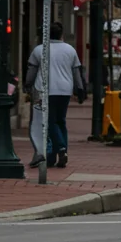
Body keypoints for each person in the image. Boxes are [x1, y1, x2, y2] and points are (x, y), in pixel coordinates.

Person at [23, 22, 88, 169]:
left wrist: (27, 85)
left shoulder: (39, 50)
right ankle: (57, 154)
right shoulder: (70, 50)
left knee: (49, 122)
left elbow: (31, 73)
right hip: (65, 90)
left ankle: (60, 148)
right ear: (61, 34)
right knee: (61, 121)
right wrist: (80, 89)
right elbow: (76, 72)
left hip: (46, 90)